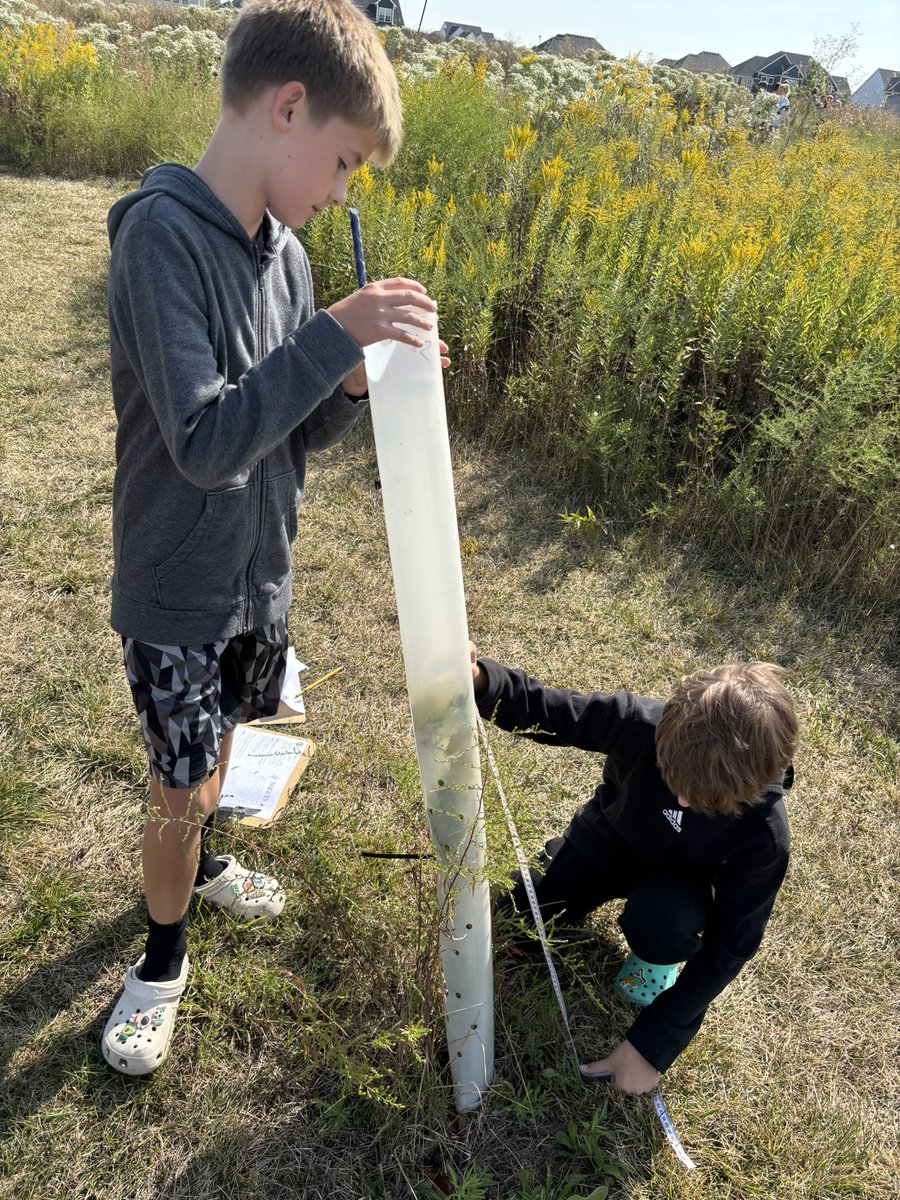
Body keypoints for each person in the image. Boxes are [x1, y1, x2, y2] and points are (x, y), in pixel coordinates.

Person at [103, 0, 447, 1076]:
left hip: (258, 581)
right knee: (178, 785)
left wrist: (344, 378)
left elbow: (285, 445)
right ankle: (161, 961)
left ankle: (201, 867)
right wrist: (329, 338)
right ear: (287, 109)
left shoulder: (287, 257)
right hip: (178, 588)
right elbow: (207, 441)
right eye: (343, 164)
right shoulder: (160, 238)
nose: (341, 193)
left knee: (219, 757)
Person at [471, 648, 797, 1095]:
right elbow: (547, 708)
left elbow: (731, 946)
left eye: (704, 801)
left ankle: (652, 956)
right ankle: (561, 859)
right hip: (606, 844)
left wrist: (652, 1046)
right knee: (516, 924)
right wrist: (481, 682)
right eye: (673, 780)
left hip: (679, 888)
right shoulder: (639, 726)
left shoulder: (765, 836)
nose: (683, 802)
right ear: (665, 734)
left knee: (666, 920)